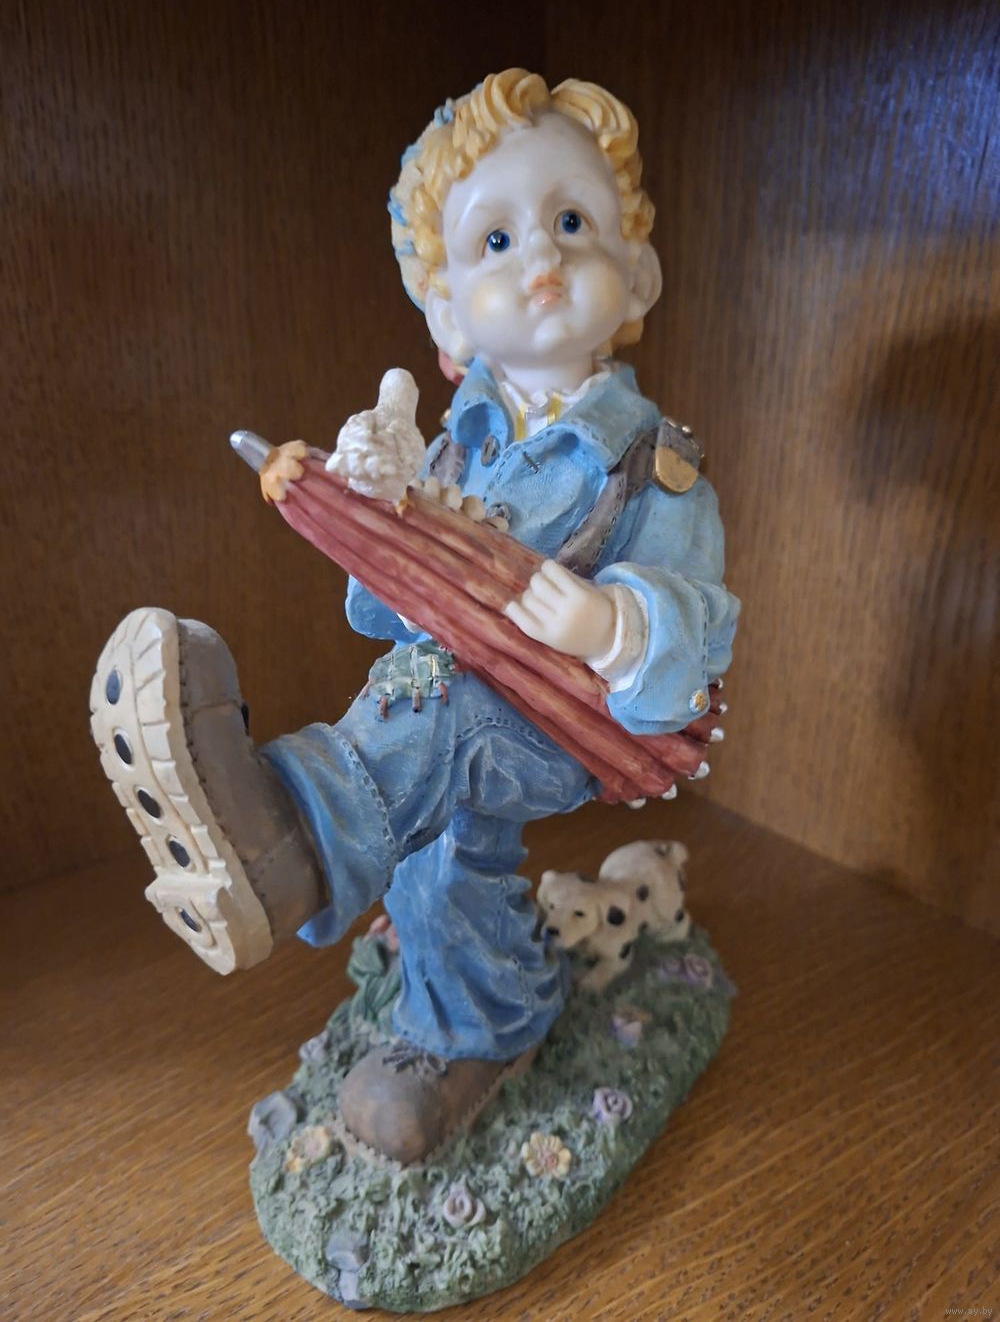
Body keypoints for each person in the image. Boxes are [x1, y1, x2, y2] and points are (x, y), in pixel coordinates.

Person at [91, 69, 740, 1164]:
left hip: (571, 717)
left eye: (573, 224)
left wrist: (613, 624)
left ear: (637, 270)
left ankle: (286, 848)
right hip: (446, 699)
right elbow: (396, 614)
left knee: (434, 723)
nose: (540, 262)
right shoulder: (456, 444)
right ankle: (478, 1020)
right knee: (431, 838)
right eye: (496, 241)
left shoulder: (652, 463)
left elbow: (705, 620)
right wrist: (376, 507)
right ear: (445, 310)